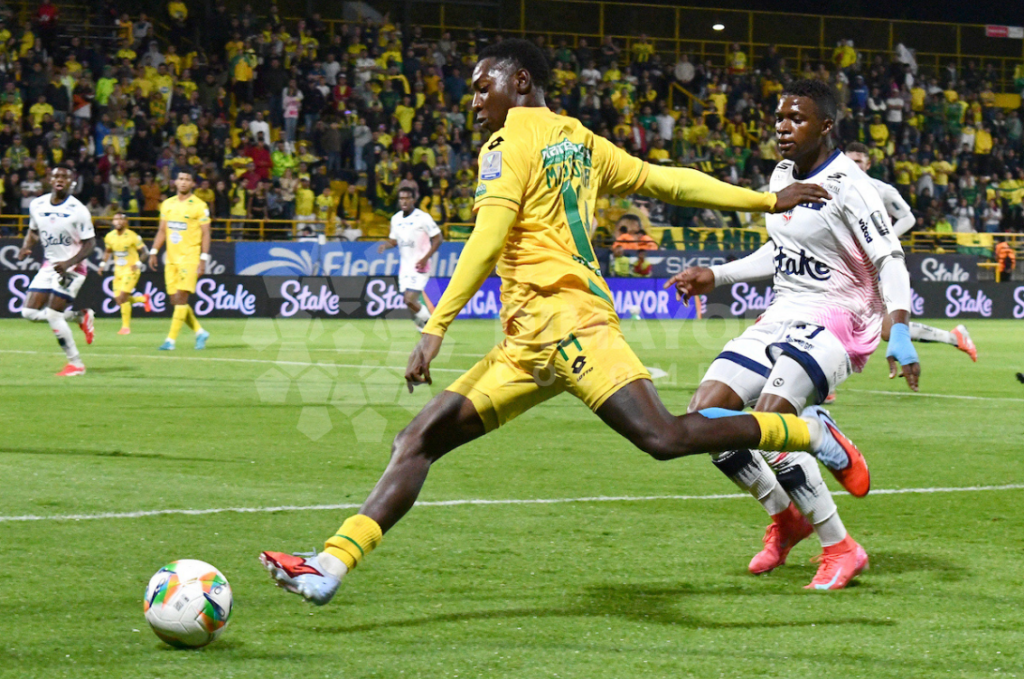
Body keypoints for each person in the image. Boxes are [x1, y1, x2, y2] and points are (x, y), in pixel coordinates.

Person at [260, 39, 865, 606]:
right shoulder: (580, 138)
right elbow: (668, 181)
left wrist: (436, 325)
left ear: (520, 82)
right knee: (417, 439)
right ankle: (331, 565)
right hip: (525, 344)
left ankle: (806, 433)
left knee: (663, 438)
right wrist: (764, 199)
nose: (473, 100)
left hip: (571, 325)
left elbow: (487, 237)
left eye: (483, 87)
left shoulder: (506, 145)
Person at [666, 79, 920, 590]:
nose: (783, 127)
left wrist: (900, 329)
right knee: (705, 418)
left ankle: (841, 547)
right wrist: (716, 275)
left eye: (796, 119)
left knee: (771, 424)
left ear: (825, 126)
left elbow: (889, 257)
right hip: (784, 310)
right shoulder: (783, 174)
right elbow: (782, 251)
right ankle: (787, 517)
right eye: (780, 117)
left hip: (839, 316)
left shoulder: (852, 185)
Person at [845, 142, 977, 363]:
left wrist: (883, 241)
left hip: (878, 267)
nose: (854, 165)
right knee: (886, 330)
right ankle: (954, 337)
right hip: (850, 266)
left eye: (859, 161)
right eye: (850, 161)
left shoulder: (880, 189)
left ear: (868, 165)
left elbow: (908, 218)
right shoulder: (834, 189)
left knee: (869, 325)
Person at [17, 166, 95, 376]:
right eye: (56, 176)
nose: (60, 179)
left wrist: (69, 262)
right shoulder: (37, 204)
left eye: (65, 177)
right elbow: (33, 231)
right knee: (28, 313)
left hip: (73, 268)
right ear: (50, 180)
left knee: (53, 314)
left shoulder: (78, 210)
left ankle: (76, 364)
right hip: (49, 265)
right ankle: (80, 317)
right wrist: (26, 247)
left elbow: (90, 243)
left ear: (71, 182)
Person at [148, 170, 211, 351]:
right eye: (181, 179)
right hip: (172, 259)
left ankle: (170, 341)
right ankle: (200, 332)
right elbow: (162, 230)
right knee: (176, 300)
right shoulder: (167, 204)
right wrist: (154, 251)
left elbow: (206, 233)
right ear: (175, 182)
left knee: (182, 297)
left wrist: (203, 258)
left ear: (192, 184)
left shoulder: (199, 206)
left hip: (190, 257)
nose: (183, 182)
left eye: (187, 179)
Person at [377, 186, 442, 330]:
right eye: (401, 198)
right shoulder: (396, 219)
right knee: (410, 305)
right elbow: (394, 241)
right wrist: (385, 246)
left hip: (420, 265)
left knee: (409, 300)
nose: (404, 201)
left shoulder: (423, 217)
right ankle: (424, 333)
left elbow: (438, 238)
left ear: (413, 200)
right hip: (405, 268)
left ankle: (432, 325)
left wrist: (425, 258)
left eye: (407, 198)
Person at [101, 211, 152, 335]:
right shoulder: (109, 236)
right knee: (118, 300)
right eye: (115, 219)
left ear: (125, 222)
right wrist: (102, 264)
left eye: (120, 219)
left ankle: (125, 327)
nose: (118, 222)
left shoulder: (133, 236)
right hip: (118, 271)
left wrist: (138, 264)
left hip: (131, 271)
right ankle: (143, 299)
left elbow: (145, 252)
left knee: (123, 297)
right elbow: (108, 251)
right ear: (112, 222)